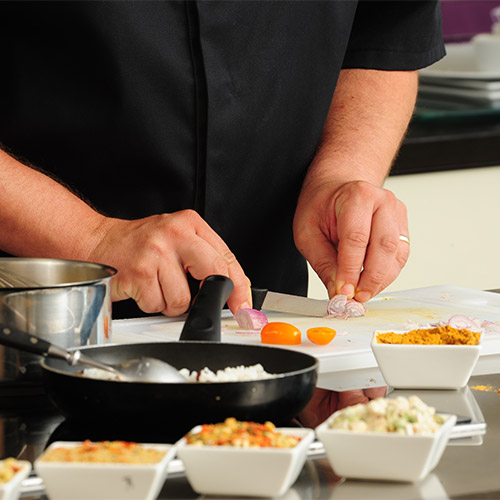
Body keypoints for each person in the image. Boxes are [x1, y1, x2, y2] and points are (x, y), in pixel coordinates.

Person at [0, 1, 444, 319]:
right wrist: (91, 240)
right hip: (31, 321)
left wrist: (341, 171)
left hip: (267, 329)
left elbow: (384, 33)